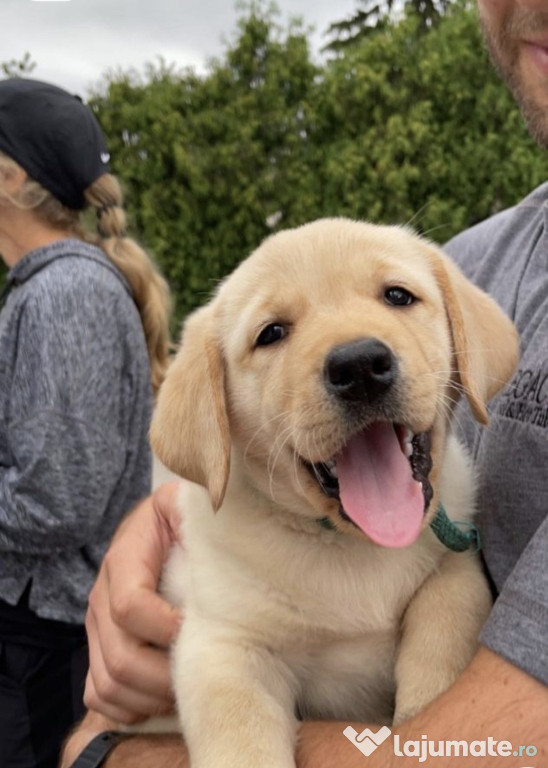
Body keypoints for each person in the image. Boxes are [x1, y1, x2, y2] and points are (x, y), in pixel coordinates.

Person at [61, 0, 548, 764]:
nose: (356, 352)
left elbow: (474, 737)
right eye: (272, 332)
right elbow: (225, 654)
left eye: (395, 297)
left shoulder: (458, 303)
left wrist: (104, 755)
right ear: (218, 406)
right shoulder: (488, 254)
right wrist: (150, 524)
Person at [0, 78, 172, 768]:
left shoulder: (65, 294)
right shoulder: (54, 288)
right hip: (45, 633)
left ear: (10, 177)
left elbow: (56, 504)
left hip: (47, 644)